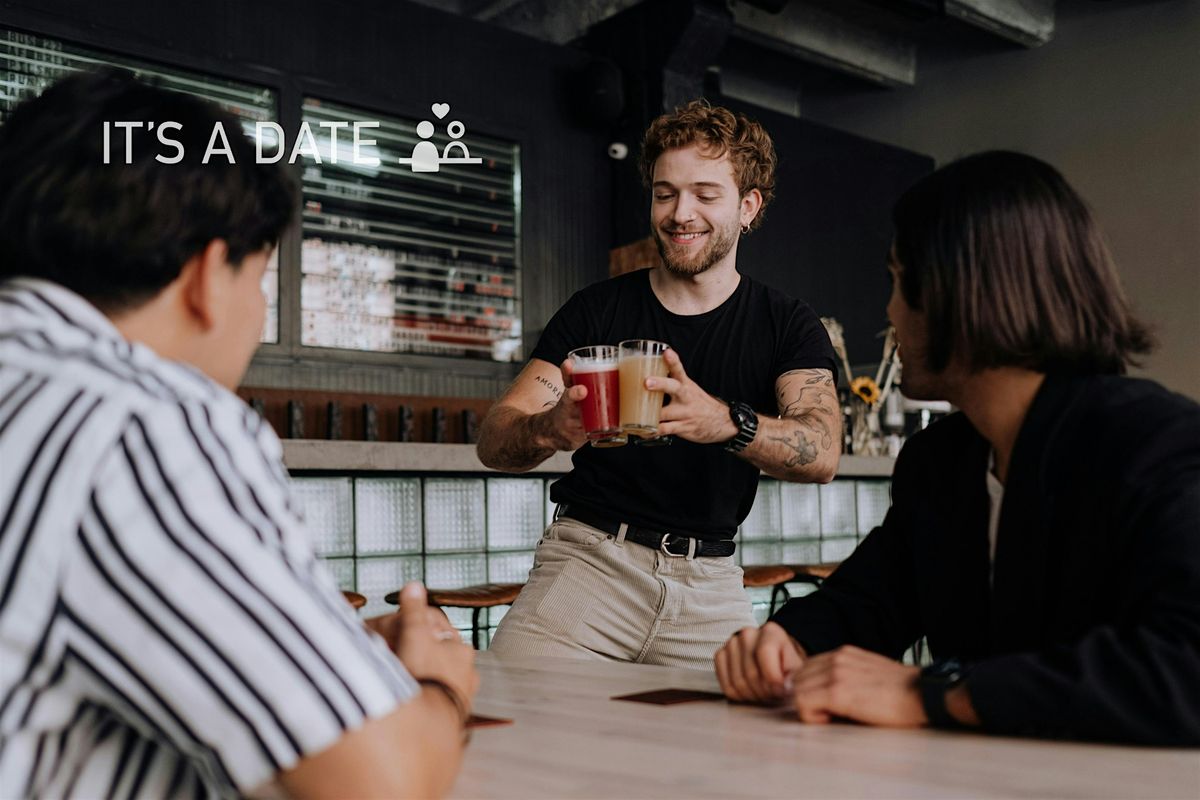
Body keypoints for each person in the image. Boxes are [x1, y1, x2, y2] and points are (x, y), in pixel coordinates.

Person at [0, 69, 478, 798]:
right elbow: (381, 783)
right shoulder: (143, 421)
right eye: (259, 281)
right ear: (206, 275)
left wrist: (326, 663)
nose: (256, 311)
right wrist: (436, 686)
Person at [714, 151, 1200, 746]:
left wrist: (930, 692)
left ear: (959, 292)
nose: (890, 311)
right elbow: (869, 600)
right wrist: (784, 642)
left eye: (897, 279)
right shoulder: (940, 462)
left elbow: (1185, 666)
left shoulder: (1158, 446)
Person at [478, 100, 841, 669]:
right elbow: (495, 438)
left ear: (748, 207)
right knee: (506, 710)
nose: (680, 213)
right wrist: (549, 427)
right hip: (588, 566)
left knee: (747, 723)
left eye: (705, 194)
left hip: (711, 583)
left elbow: (822, 450)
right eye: (665, 193)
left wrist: (725, 423)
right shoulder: (595, 310)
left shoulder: (786, 323)